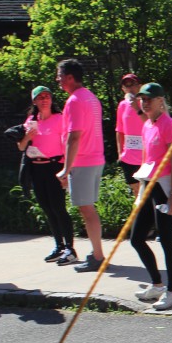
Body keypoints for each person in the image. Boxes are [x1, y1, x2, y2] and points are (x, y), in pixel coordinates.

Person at [130, 83, 172, 311]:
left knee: (167, 240)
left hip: (164, 188)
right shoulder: (147, 125)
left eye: (149, 99)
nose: (145, 103)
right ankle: (157, 285)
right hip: (149, 186)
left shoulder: (168, 125)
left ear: (160, 101)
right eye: (142, 99)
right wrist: (141, 190)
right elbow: (146, 159)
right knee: (136, 238)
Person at [55, 58, 106, 273]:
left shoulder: (75, 100)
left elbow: (74, 137)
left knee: (87, 211)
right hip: (95, 158)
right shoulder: (91, 97)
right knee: (89, 209)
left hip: (83, 161)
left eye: (59, 75)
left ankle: (98, 257)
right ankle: (97, 254)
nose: (57, 80)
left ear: (69, 77)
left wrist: (66, 169)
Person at [16, 86, 74, 263]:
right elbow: (21, 147)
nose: (44, 100)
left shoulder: (59, 119)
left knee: (59, 208)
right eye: (40, 97)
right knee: (47, 208)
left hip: (54, 167)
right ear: (34, 101)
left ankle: (70, 248)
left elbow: (67, 145)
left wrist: (66, 172)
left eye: (47, 96)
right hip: (36, 168)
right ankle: (59, 246)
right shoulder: (31, 120)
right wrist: (27, 137)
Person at [115, 74, 145, 202]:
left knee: (149, 193)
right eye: (126, 86)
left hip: (146, 157)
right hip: (129, 157)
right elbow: (119, 130)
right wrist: (120, 154)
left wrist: (137, 107)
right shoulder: (122, 105)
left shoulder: (146, 103)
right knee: (137, 194)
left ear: (140, 86)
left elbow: (152, 124)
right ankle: (141, 214)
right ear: (123, 89)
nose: (130, 88)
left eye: (132, 84)